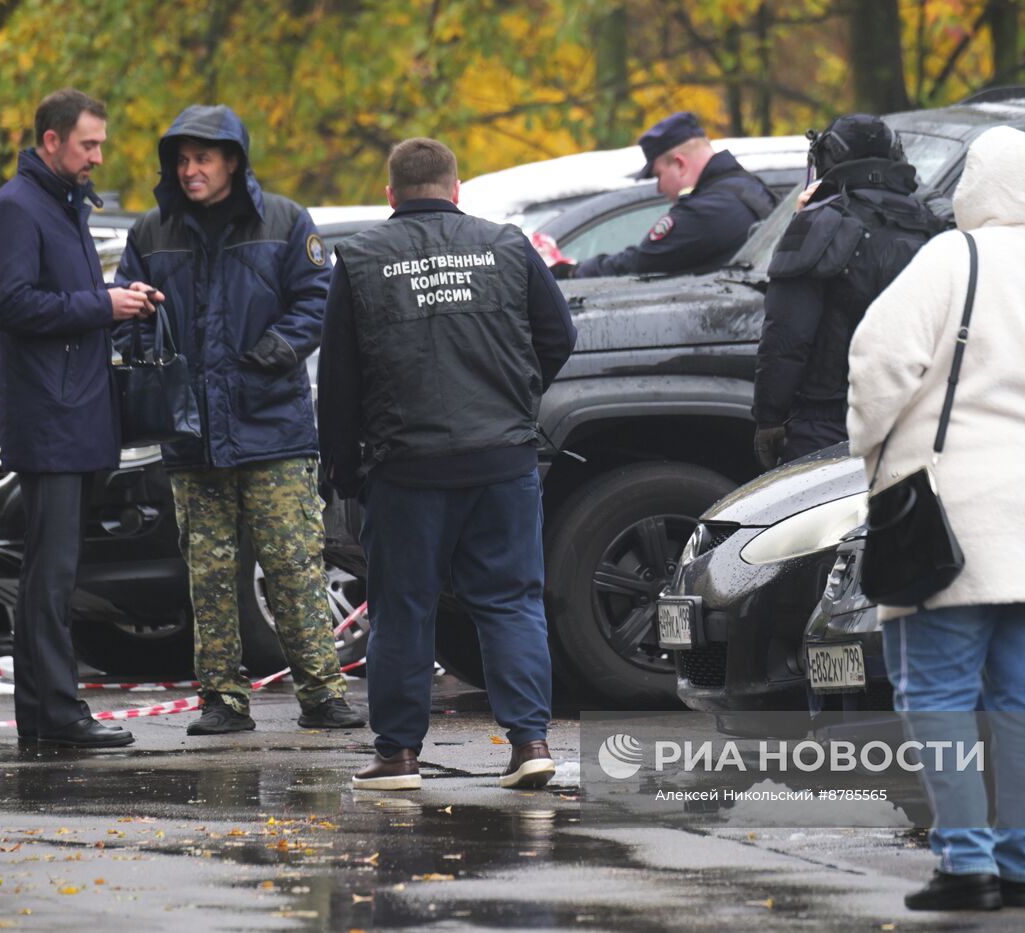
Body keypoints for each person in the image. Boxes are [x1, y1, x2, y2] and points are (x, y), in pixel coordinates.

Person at [846, 126, 1025, 911]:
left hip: (953, 509)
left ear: (986, 185)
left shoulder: (952, 258)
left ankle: (966, 862)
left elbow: (879, 363)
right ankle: (1024, 865)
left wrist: (875, 450)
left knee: (937, 689)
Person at [319, 137, 576, 791]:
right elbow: (558, 335)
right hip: (502, 461)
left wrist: (341, 468)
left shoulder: (362, 258)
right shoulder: (508, 245)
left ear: (390, 194)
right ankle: (530, 742)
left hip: (407, 468)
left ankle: (399, 756)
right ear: (456, 189)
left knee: (404, 609)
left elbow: (339, 378)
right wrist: (515, 399)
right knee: (511, 602)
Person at [115, 104, 362, 736]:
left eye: (202, 158)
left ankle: (322, 694)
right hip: (191, 436)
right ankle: (222, 700)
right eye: (181, 159)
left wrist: (274, 351)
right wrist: (142, 331)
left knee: (293, 566)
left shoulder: (285, 221)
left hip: (273, 430)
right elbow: (124, 317)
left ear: (233, 160)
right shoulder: (151, 232)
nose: (189, 170)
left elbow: (319, 299)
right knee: (209, 576)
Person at [0, 88, 160, 748]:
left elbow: (67, 298)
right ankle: (57, 714)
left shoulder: (62, 203)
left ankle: (46, 714)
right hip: (51, 417)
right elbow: (9, 304)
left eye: (101, 144)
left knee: (53, 574)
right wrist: (101, 306)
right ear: (51, 140)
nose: (98, 157)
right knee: (50, 575)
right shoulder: (16, 207)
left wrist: (118, 298)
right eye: (89, 144)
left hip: (76, 412)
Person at [752, 114, 944, 469]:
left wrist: (769, 418)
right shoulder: (931, 223)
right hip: (915, 416)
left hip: (829, 423)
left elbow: (786, 337)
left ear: (826, 158)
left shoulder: (817, 222)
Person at [559, 112, 776, 278]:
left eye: (658, 175)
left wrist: (572, 272)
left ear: (679, 164)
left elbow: (641, 264)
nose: (659, 188)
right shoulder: (750, 188)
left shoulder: (706, 210)